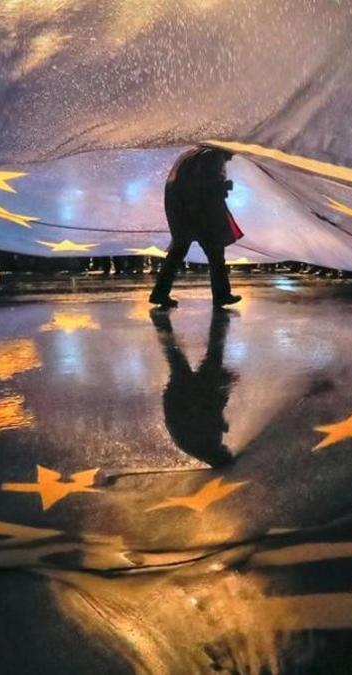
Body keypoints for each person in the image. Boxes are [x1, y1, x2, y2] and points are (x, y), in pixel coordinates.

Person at [149, 147, 243, 308]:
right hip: (202, 217)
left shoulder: (192, 156)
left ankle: (159, 293)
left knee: (176, 254)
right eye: (233, 153)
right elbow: (207, 188)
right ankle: (221, 295)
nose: (232, 158)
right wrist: (225, 187)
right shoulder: (214, 156)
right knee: (216, 256)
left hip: (182, 214)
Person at [151, 309, 236, 467]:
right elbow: (212, 411)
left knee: (189, 358)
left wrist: (224, 389)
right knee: (187, 358)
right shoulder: (205, 448)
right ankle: (220, 318)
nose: (227, 448)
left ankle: (220, 317)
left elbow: (209, 410)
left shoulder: (206, 444)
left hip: (182, 397)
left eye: (226, 451)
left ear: (220, 454)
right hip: (185, 398)